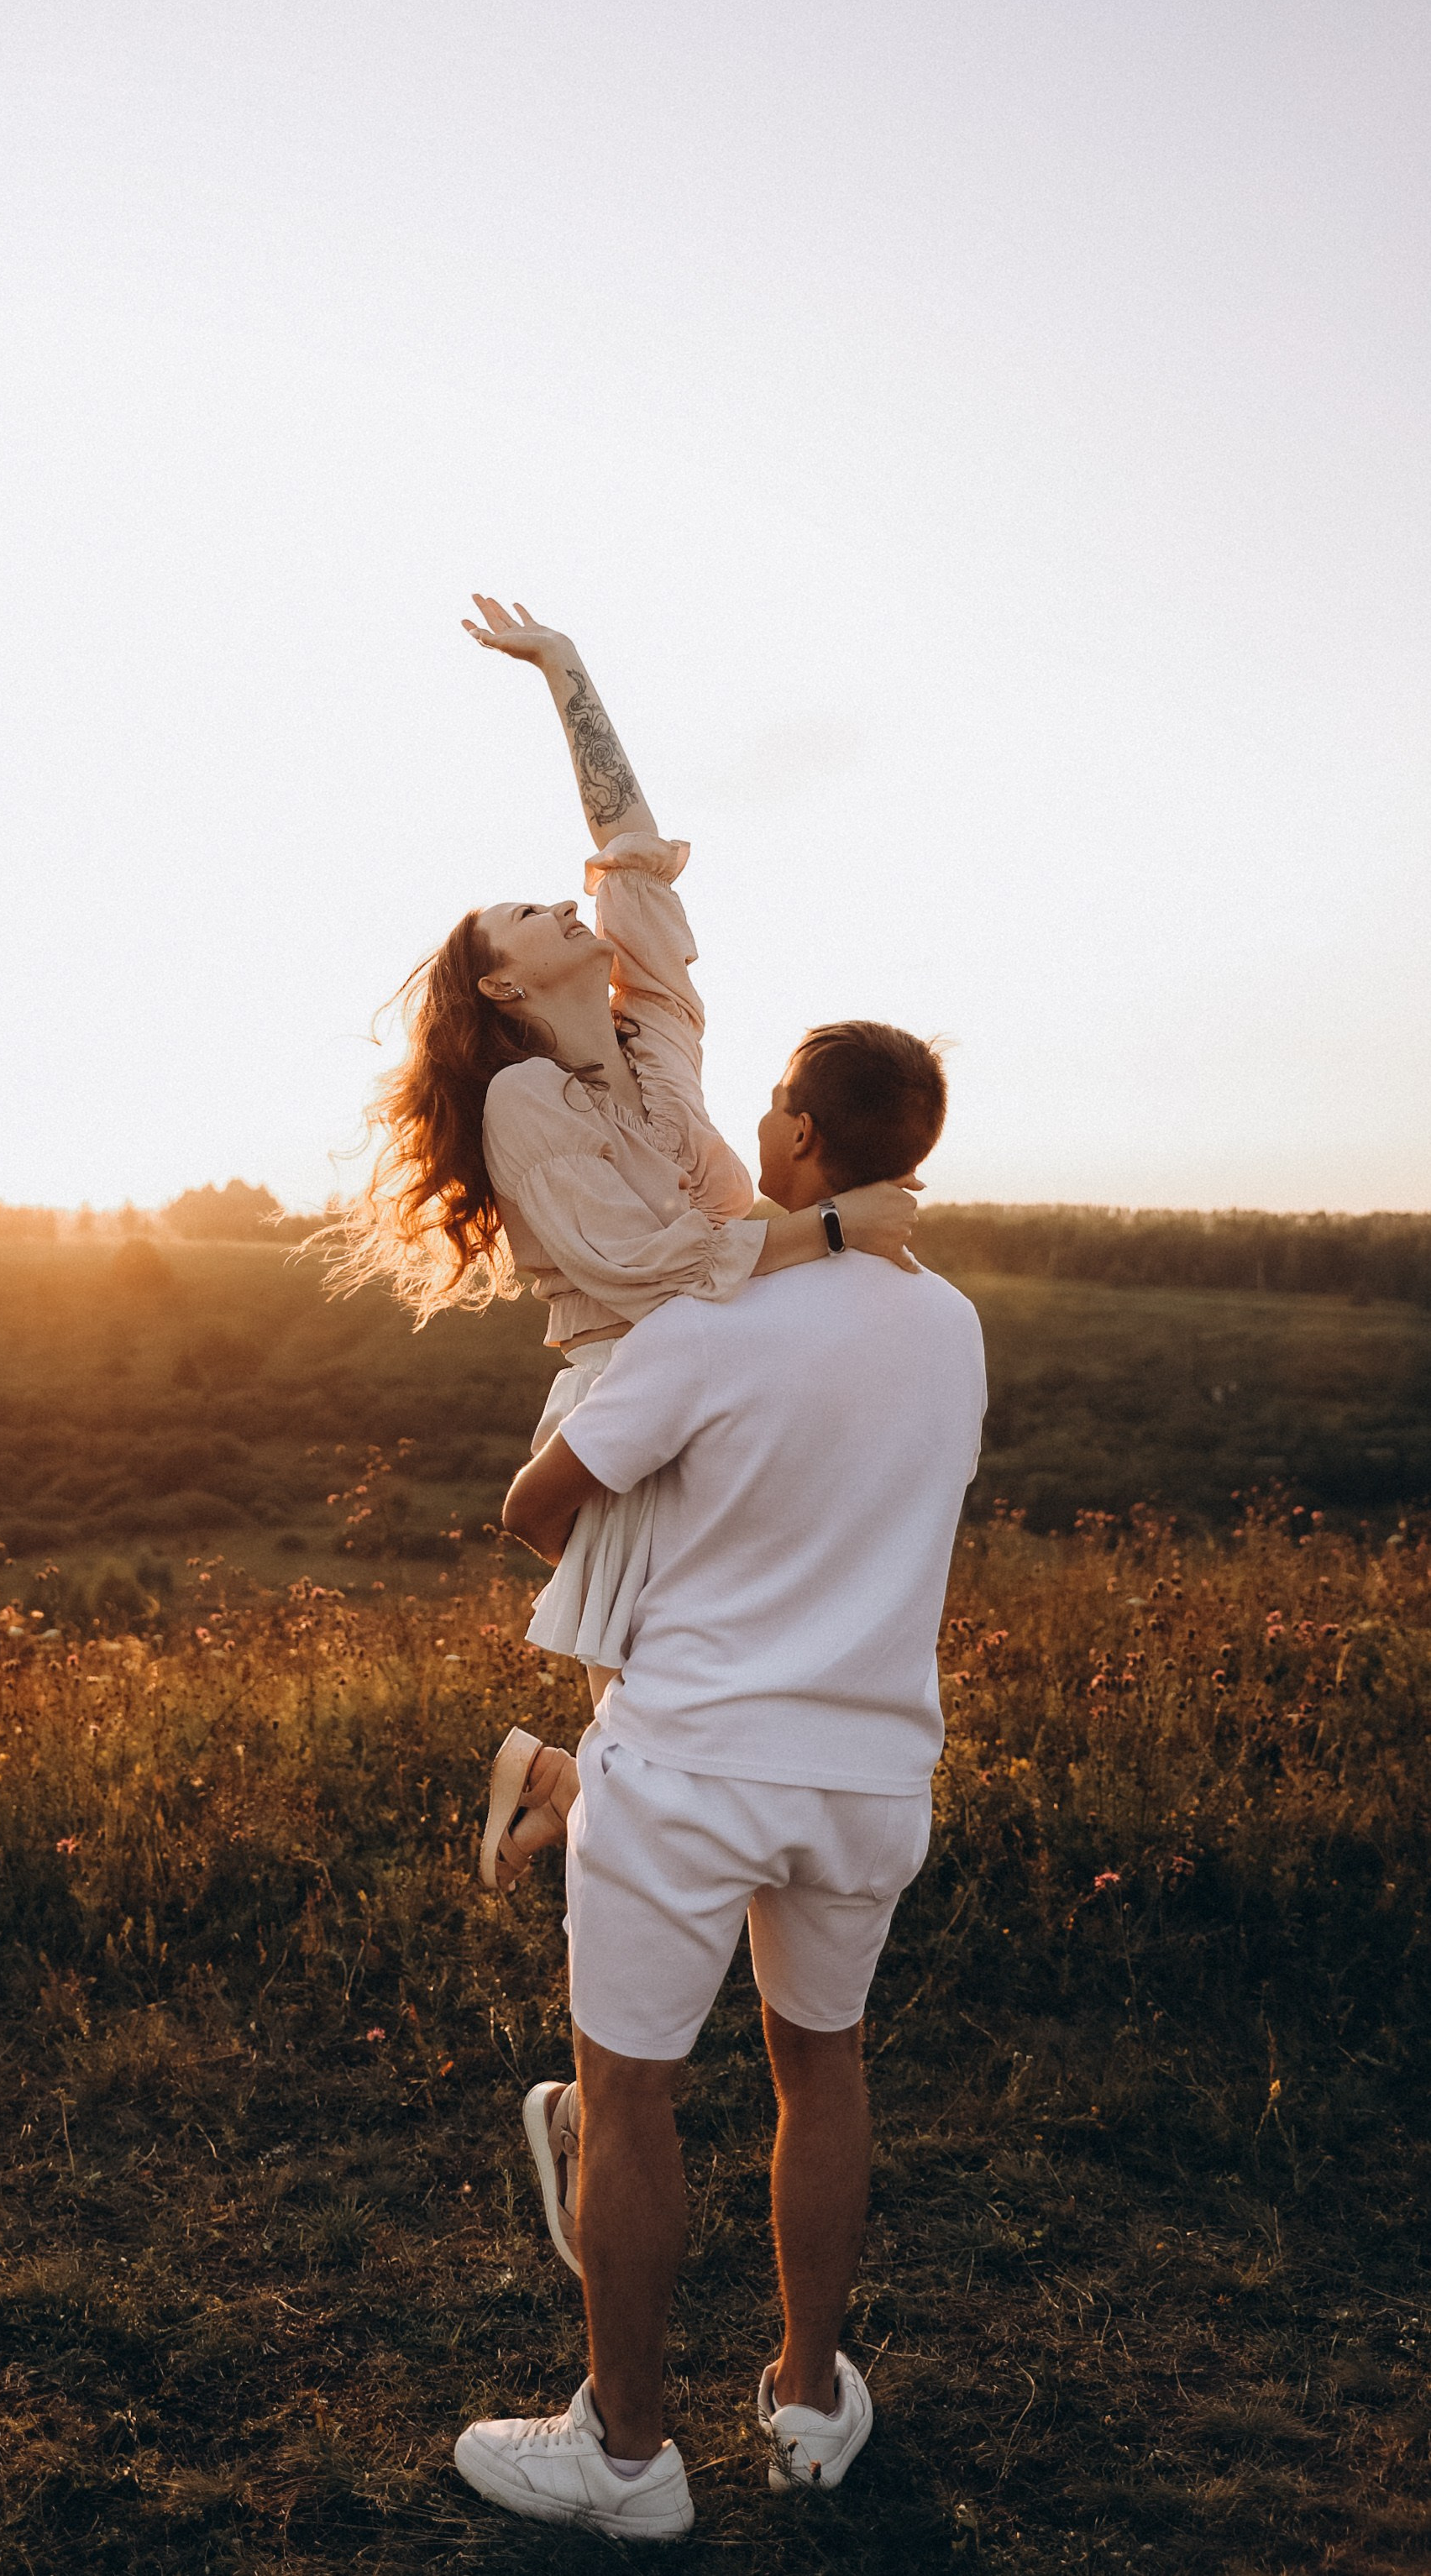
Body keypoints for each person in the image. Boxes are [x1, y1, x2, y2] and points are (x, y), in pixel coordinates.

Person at [451, 1022, 986, 2540]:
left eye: (771, 1104)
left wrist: (652, 1543)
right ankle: (811, 2398)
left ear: (807, 1140)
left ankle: (626, 2459)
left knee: (628, 2096)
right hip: (871, 1769)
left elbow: (534, 1508)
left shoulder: (703, 1323)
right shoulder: (955, 1324)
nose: (753, 1117)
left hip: (687, 1762)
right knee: (823, 2065)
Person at [328, 595, 921, 1891]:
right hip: (632, 1392)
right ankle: (587, 1926)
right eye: (531, 918)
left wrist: (566, 669)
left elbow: (629, 849)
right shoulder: (522, 1102)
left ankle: (552, 1795)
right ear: (503, 986)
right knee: (664, 1728)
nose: (564, 904)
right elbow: (642, 1270)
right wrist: (827, 1227)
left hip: (737, 1365)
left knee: (702, 1718)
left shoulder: (658, 1038)